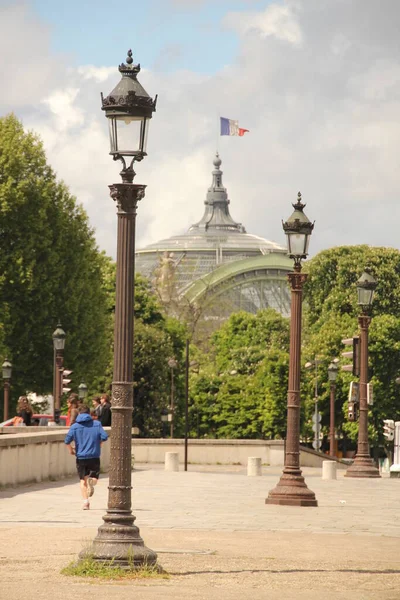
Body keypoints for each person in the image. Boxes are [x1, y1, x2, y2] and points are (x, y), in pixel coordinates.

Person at [64, 405, 108, 510]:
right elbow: (104, 437)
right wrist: (99, 443)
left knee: (82, 480)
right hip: (94, 455)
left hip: (81, 456)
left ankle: (85, 502)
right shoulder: (97, 424)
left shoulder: (75, 426)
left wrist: (71, 450)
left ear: (79, 413)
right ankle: (91, 482)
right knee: (94, 477)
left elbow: (67, 441)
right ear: (89, 413)